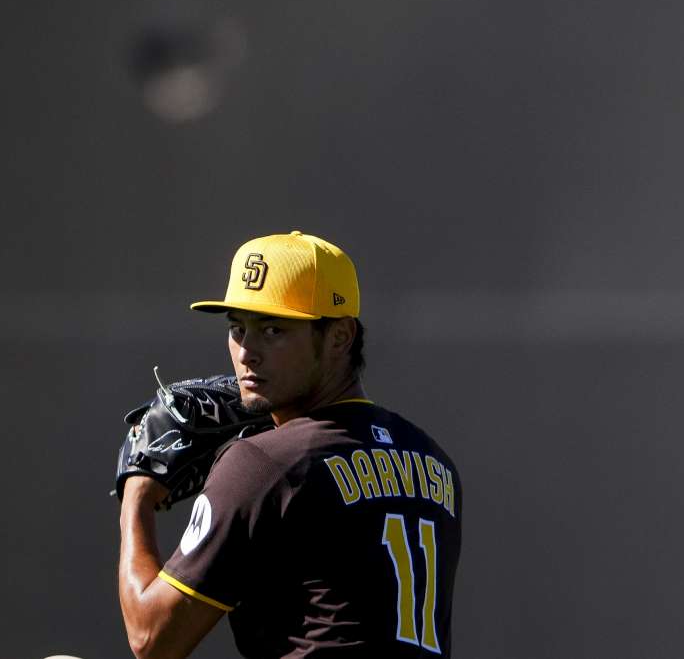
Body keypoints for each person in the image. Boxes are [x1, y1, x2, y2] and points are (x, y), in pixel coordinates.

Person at [118, 230, 462, 658]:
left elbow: (151, 638)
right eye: (237, 328)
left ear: (340, 336)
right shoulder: (433, 462)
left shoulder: (263, 465)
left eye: (273, 330)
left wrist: (139, 492)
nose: (247, 351)